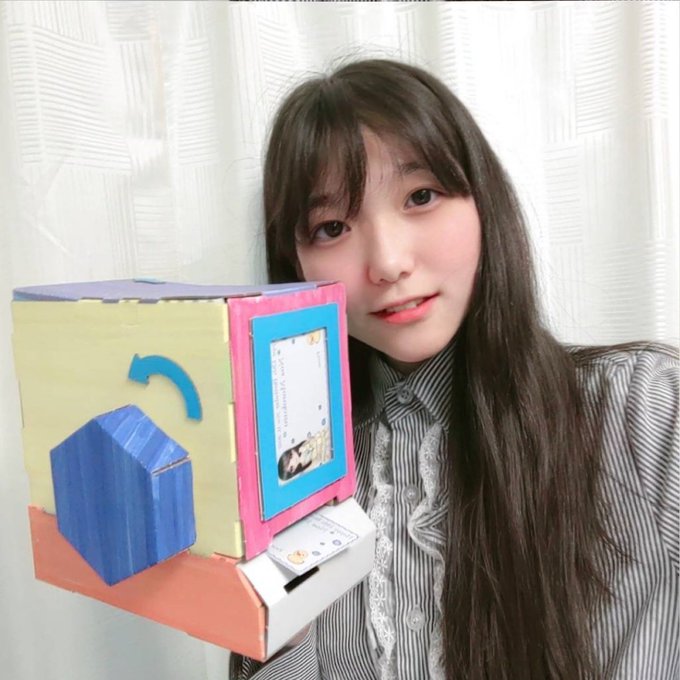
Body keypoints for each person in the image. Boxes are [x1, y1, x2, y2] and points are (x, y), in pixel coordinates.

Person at [231, 59, 678, 679]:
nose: (388, 263)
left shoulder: (641, 409)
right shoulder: (289, 472)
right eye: (332, 227)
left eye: (420, 196)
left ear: (483, 202)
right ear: (296, 264)